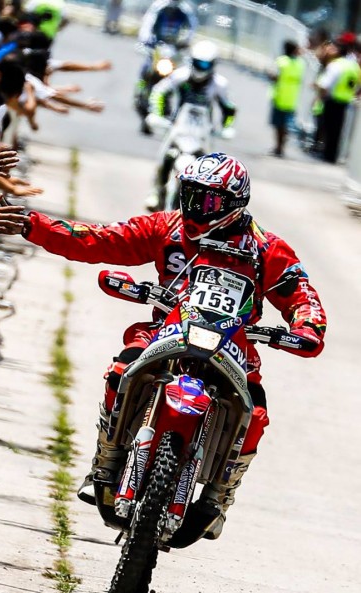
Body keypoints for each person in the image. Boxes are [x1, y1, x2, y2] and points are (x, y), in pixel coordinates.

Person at [16, 152, 326, 540]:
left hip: (235, 344)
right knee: (120, 371)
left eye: (207, 200)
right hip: (166, 328)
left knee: (257, 412)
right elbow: (99, 239)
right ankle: (106, 460)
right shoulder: (166, 227)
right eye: (189, 195)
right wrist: (30, 224)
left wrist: (306, 326)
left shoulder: (267, 248)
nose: (195, 207)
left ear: (235, 202)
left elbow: (301, 295)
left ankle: (220, 495)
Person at [146, 41, 236, 211]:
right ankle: (156, 191)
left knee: (209, 169)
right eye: (199, 63)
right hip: (179, 127)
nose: (202, 68)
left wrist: (225, 128)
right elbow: (159, 91)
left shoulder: (219, 84)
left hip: (203, 134)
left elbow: (229, 109)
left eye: (206, 64)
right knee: (164, 156)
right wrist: (157, 114)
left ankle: (202, 204)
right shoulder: (180, 76)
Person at [315, 37, 359, 163]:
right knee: (338, 130)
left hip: (332, 100)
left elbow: (325, 84)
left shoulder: (336, 65)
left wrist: (320, 97)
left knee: (328, 128)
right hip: (346, 102)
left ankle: (327, 154)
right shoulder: (354, 66)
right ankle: (332, 155)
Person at [269, 40, 305, 157]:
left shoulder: (281, 61)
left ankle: (278, 147)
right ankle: (281, 147)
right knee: (286, 125)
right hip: (292, 99)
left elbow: (275, 76)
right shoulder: (300, 63)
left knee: (278, 125)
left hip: (280, 96)